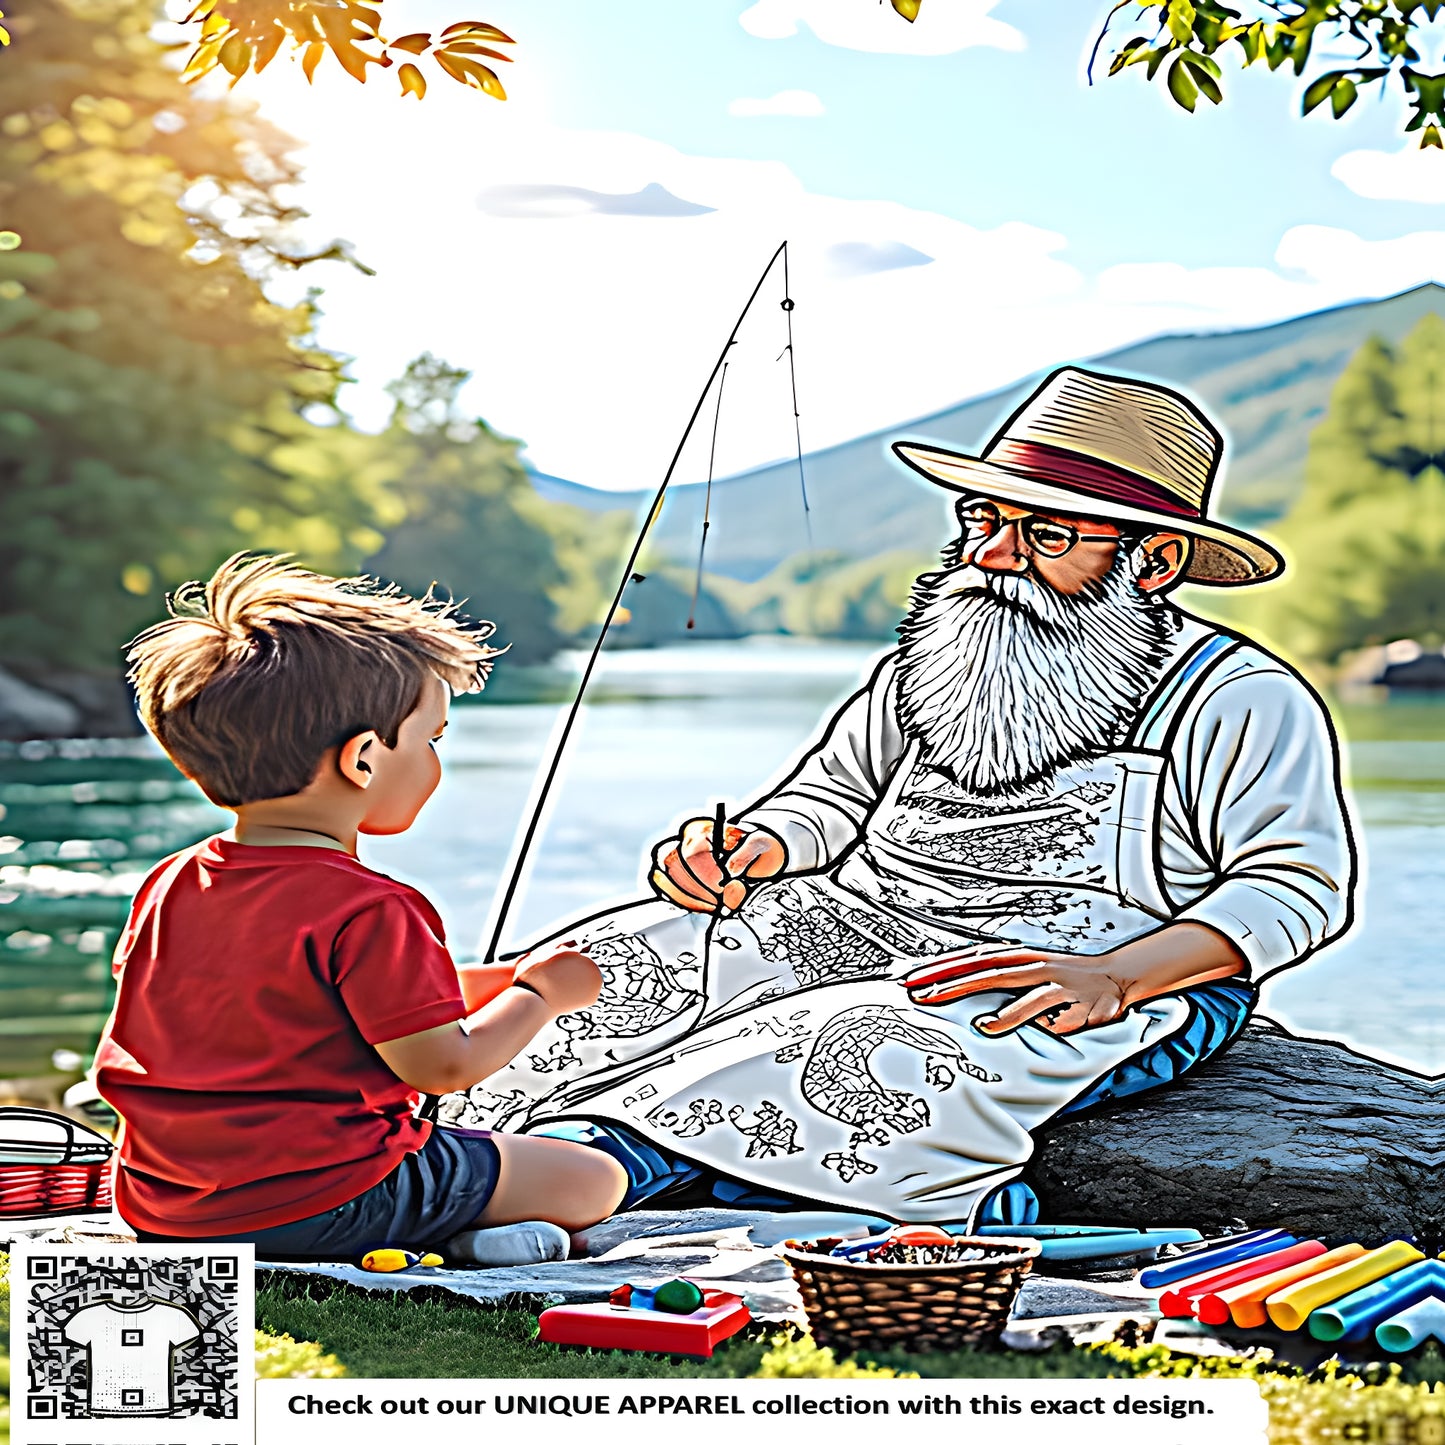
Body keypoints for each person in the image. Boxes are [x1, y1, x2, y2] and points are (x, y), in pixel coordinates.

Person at [446, 367, 1356, 1224]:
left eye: (1041, 533)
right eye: (980, 520)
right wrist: (755, 848)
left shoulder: (1238, 694)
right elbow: (830, 798)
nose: (992, 555)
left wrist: (1115, 976)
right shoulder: (928, 658)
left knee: (842, 1040)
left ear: (1153, 560)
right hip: (862, 917)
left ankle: (538, 1176)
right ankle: (453, 1126)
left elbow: (1292, 888)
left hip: (1096, 974)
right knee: (622, 961)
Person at [93, 555, 626, 1263]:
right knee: (593, 1178)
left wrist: (494, 980)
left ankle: (458, 1233)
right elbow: (440, 1065)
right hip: (326, 1199)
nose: (436, 760)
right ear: (364, 759)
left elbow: (306, 1007)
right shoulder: (375, 908)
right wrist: (536, 998)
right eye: (431, 738)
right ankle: (452, 1236)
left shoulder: (175, 881)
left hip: (167, 1205)